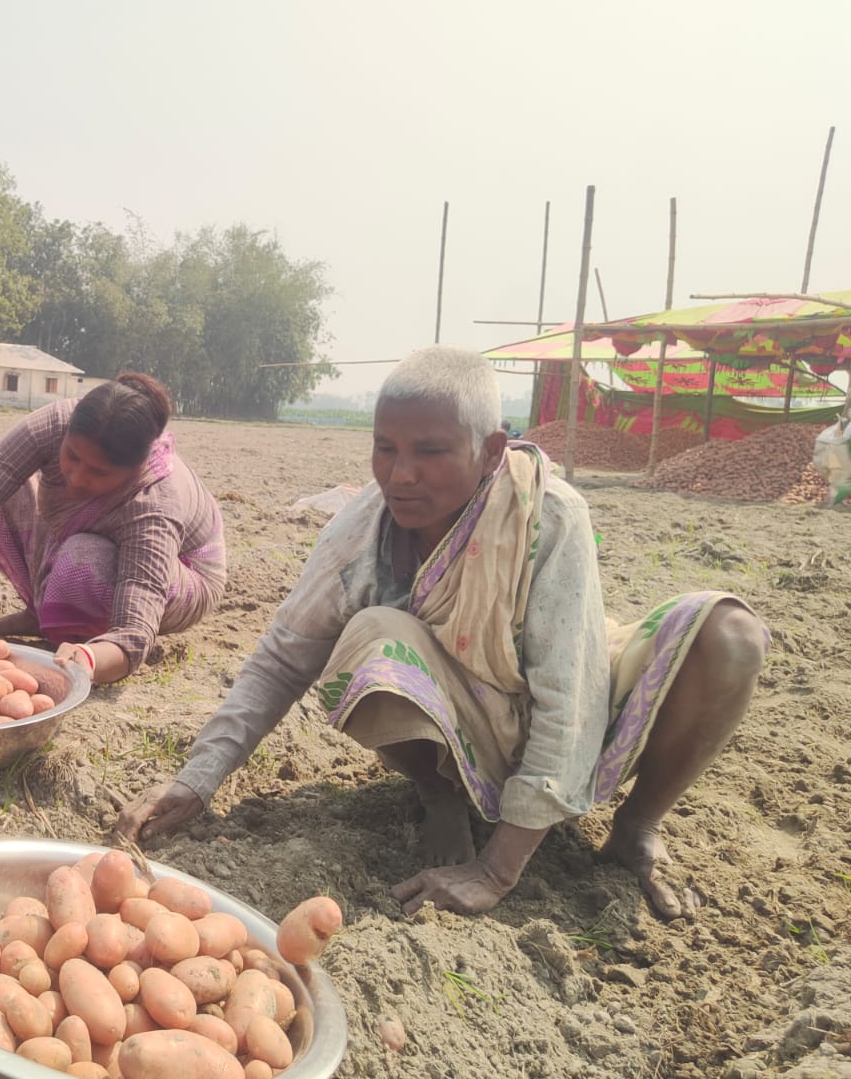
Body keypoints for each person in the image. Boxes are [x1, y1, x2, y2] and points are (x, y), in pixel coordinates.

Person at [118, 346, 766, 920]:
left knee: (732, 636)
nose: (401, 474)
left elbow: (569, 698)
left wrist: (496, 871)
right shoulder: (360, 533)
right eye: (385, 448)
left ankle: (635, 828)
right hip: (461, 720)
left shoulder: (547, 517)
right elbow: (283, 660)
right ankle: (441, 798)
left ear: (490, 452)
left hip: (581, 712)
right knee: (372, 637)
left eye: (430, 452)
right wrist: (197, 780)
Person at [0, 371, 226, 685]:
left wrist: (90, 659)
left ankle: (74, 636)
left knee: (83, 559)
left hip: (184, 576)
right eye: (71, 456)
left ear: (133, 470)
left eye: (99, 472)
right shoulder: (54, 424)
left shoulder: (153, 503)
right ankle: (48, 612)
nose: (76, 478)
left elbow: (135, 631)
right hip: (83, 536)